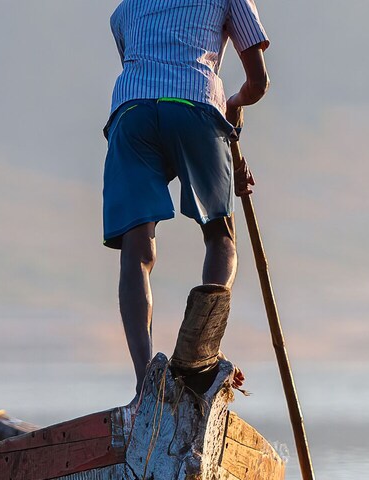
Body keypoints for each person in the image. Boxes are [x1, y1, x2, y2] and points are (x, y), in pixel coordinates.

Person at [101, 0, 270, 380]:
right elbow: (258, 83)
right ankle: (200, 351)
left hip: (131, 112)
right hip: (194, 102)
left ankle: (147, 383)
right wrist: (234, 103)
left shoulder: (128, 8)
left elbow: (150, 88)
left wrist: (226, 153)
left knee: (137, 249)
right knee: (220, 237)